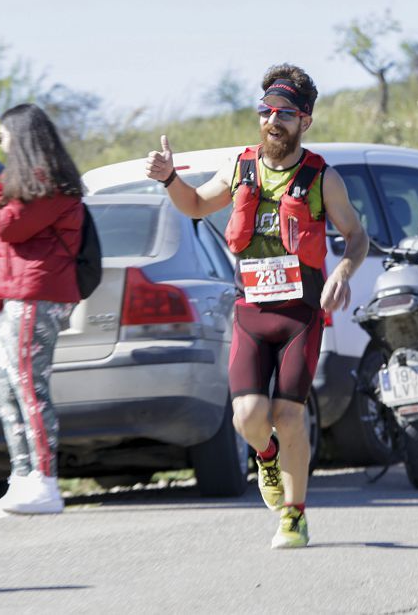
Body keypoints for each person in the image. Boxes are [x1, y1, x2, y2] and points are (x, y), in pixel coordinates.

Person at [145, 64, 367, 548]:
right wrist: (169, 180)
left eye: (284, 114)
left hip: (299, 315)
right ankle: (265, 457)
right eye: (266, 111)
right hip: (251, 310)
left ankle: (294, 515)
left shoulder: (322, 177)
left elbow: (356, 236)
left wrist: (343, 273)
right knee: (246, 416)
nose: (272, 121)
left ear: (304, 121)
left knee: (289, 415)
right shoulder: (241, 166)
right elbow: (197, 205)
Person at [0, 103, 85, 521]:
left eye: (4, 137)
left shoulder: (45, 180)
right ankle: (22, 479)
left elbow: (9, 224)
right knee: (3, 381)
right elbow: (15, 235)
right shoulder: (38, 183)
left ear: (20, 137)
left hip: (39, 295)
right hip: (24, 292)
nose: (1, 144)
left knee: (28, 385)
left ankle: (45, 483)